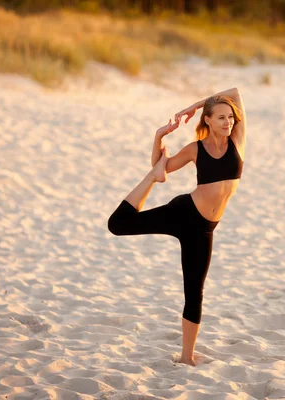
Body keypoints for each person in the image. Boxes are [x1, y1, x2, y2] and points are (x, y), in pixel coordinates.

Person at [107, 87, 246, 366]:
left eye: (229, 117)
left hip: (205, 228)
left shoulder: (237, 141)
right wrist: (159, 136)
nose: (227, 122)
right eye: (220, 117)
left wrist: (194, 106)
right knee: (119, 224)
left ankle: (187, 357)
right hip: (184, 213)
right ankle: (148, 182)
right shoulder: (196, 148)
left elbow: (235, 91)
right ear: (208, 121)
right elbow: (164, 166)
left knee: (195, 290)